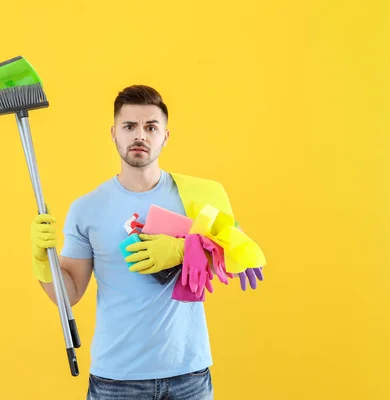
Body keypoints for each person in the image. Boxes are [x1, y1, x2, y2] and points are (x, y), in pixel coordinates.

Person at [30, 85, 264, 399]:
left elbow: (232, 256)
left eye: (151, 127)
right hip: (116, 380)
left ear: (165, 136)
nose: (140, 135)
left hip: (189, 376)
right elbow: (69, 294)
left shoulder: (197, 197)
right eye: (129, 126)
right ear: (114, 133)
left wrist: (182, 248)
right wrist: (43, 262)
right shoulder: (87, 208)